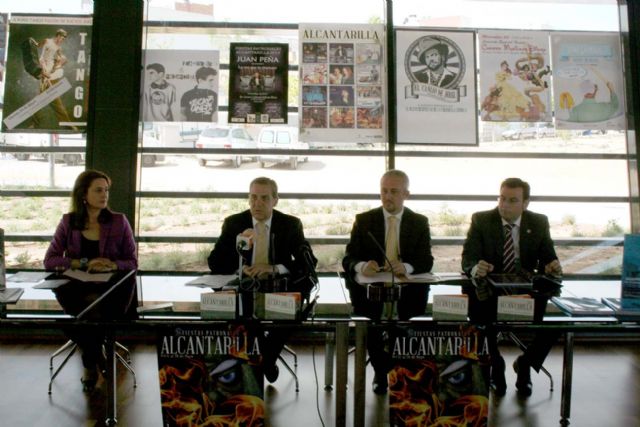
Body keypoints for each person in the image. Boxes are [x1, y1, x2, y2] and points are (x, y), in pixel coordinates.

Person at [207, 177, 317, 384]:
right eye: (253, 197)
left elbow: (309, 262)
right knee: (245, 315)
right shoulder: (234, 223)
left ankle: (265, 359)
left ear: (275, 200)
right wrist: (239, 264)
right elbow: (214, 262)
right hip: (245, 288)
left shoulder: (290, 224)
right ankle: (266, 361)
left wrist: (275, 268)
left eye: (264, 198)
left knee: (289, 313)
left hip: (279, 287)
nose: (257, 203)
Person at [461, 177, 563, 397]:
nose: (504, 205)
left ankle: (525, 363)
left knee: (558, 323)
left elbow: (548, 257)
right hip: (490, 290)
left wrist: (552, 266)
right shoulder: (481, 220)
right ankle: (495, 364)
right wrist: (476, 267)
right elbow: (468, 258)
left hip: (524, 293)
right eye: (502, 198)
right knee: (480, 318)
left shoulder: (538, 222)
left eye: (512, 200)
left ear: (525, 203)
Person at [44, 170, 138, 392]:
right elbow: (50, 260)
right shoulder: (68, 222)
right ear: (83, 194)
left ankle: (89, 361)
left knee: (90, 310)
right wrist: (82, 262)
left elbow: (132, 261)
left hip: (112, 287)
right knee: (87, 306)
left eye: (106, 190)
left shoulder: (119, 221)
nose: (104, 195)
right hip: (77, 286)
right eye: (98, 190)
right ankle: (97, 355)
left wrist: (112, 264)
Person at [342, 170, 434, 394]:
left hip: (407, 290)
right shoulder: (364, 220)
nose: (387, 196)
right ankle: (380, 371)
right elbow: (348, 258)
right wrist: (362, 266)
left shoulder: (419, 222)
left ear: (406, 194)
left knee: (402, 326)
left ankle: (395, 369)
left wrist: (407, 267)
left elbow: (426, 260)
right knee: (373, 325)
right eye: (384, 191)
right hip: (370, 290)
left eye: (394, 191)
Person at [33, 28, 76, 130]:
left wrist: (58, 64)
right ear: (58, 36)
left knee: (43, 100)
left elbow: (63, 59)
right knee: (47, 100)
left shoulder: (58, 48)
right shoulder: (47, 41)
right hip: (44, 72)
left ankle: (68, 125)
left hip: (50, 74)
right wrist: (32, 41)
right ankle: (68, 125)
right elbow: (37, 45)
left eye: (64, 39)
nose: (62, 40)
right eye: (62, 38)